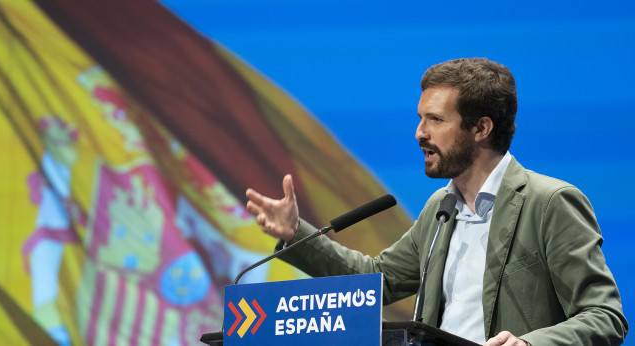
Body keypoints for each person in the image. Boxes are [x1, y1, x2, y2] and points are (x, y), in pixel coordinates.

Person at [245, 58, 628, 345]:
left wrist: (529, 343)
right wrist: (295, 233)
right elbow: (378, 281)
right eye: (419, 118)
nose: (419, 133)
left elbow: (605, 316)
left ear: (481, 128)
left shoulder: (549, 203)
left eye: (435, 120)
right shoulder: (440, 209)